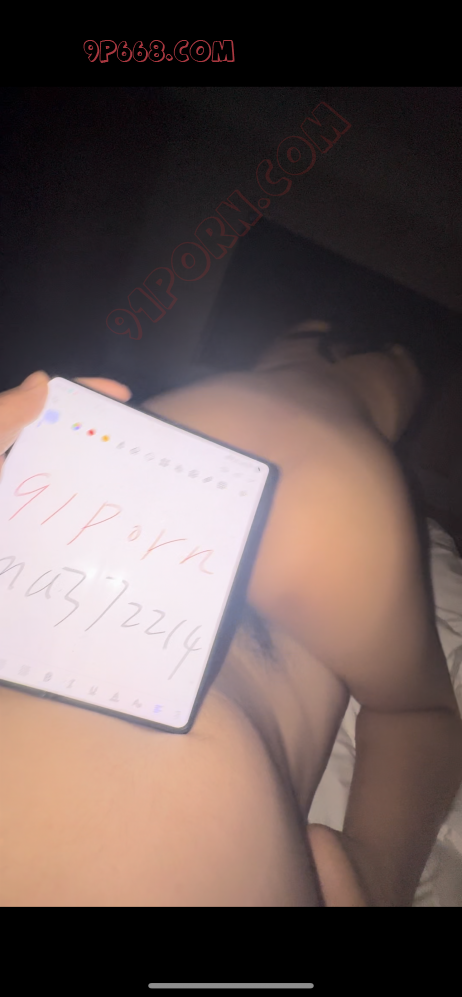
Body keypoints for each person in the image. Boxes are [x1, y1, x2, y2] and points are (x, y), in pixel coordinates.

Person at [1, 328, 461, 908]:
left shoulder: (307, 470)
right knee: (353, 390)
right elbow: (422, 717)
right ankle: (368, 370)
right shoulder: (315, 479)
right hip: (308, 446)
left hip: (294, 438)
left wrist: (381, 876)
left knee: (337, 391)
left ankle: (344, 365)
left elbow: (422, 719)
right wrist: (381, 875)